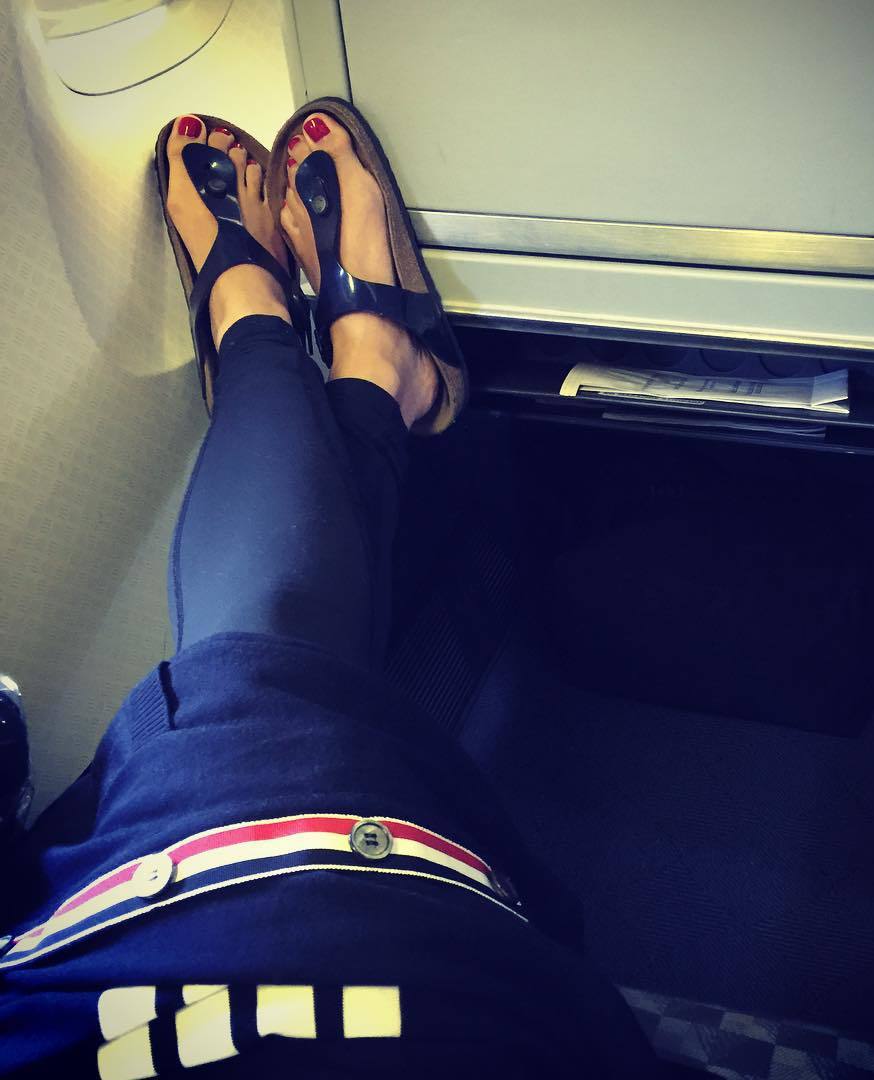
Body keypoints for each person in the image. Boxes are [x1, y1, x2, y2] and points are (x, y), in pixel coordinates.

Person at [0, 100, 662, 1079]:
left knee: (272, 684)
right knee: (267, 677)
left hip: (119, 964)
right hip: (461, 998)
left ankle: (339, 359)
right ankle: (289, 341)